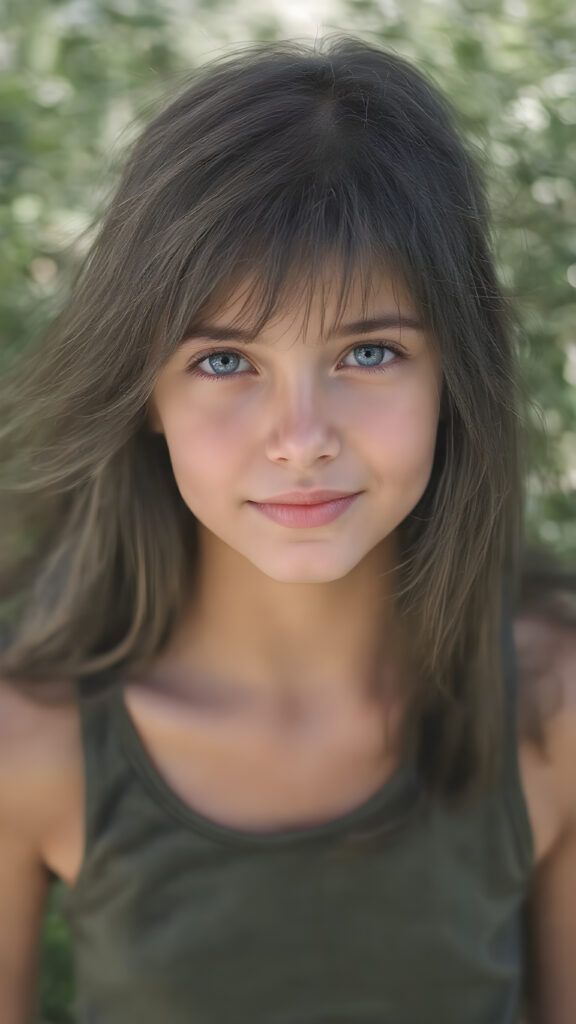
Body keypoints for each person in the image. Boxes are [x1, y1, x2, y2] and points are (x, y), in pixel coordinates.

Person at [0, 35, 574, 1024]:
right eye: (225, 362)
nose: (301, 439)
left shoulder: (553, 703)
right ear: (146, 388)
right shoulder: (31, 737)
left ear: (453, 374)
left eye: (369, 351)